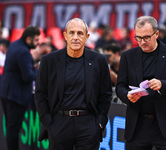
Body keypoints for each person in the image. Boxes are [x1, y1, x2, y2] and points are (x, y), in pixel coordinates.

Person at [34, 18, 112, 150]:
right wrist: (48, 123)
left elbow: (106, 94)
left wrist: (99, 123)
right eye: (72, 33)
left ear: (87, 37)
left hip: (88, 124)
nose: (75, 37)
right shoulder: (49, 60)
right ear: (65, 35)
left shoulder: (99, 60)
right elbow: (40, 94)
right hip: (59, 123)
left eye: (80, 33)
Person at [116, 16, 166, 150]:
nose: (142, 42)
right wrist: (128, 96)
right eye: (138, 37)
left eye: (147, 37)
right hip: (137, 124)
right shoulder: (127, 56)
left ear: (157, 34)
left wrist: (162, 85)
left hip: (164, 125)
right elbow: (120, 86)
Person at [0, 26, 40, 150]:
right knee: (14, 130)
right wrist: (40, 70)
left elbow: (18, 68)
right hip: (16, 96)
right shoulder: (23, 52)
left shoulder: (14, 45)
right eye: (36, 40)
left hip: (6, 93)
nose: (38, 43)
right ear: (29, 38)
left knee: (11, 129)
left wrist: (32, 65)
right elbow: (27, 77)